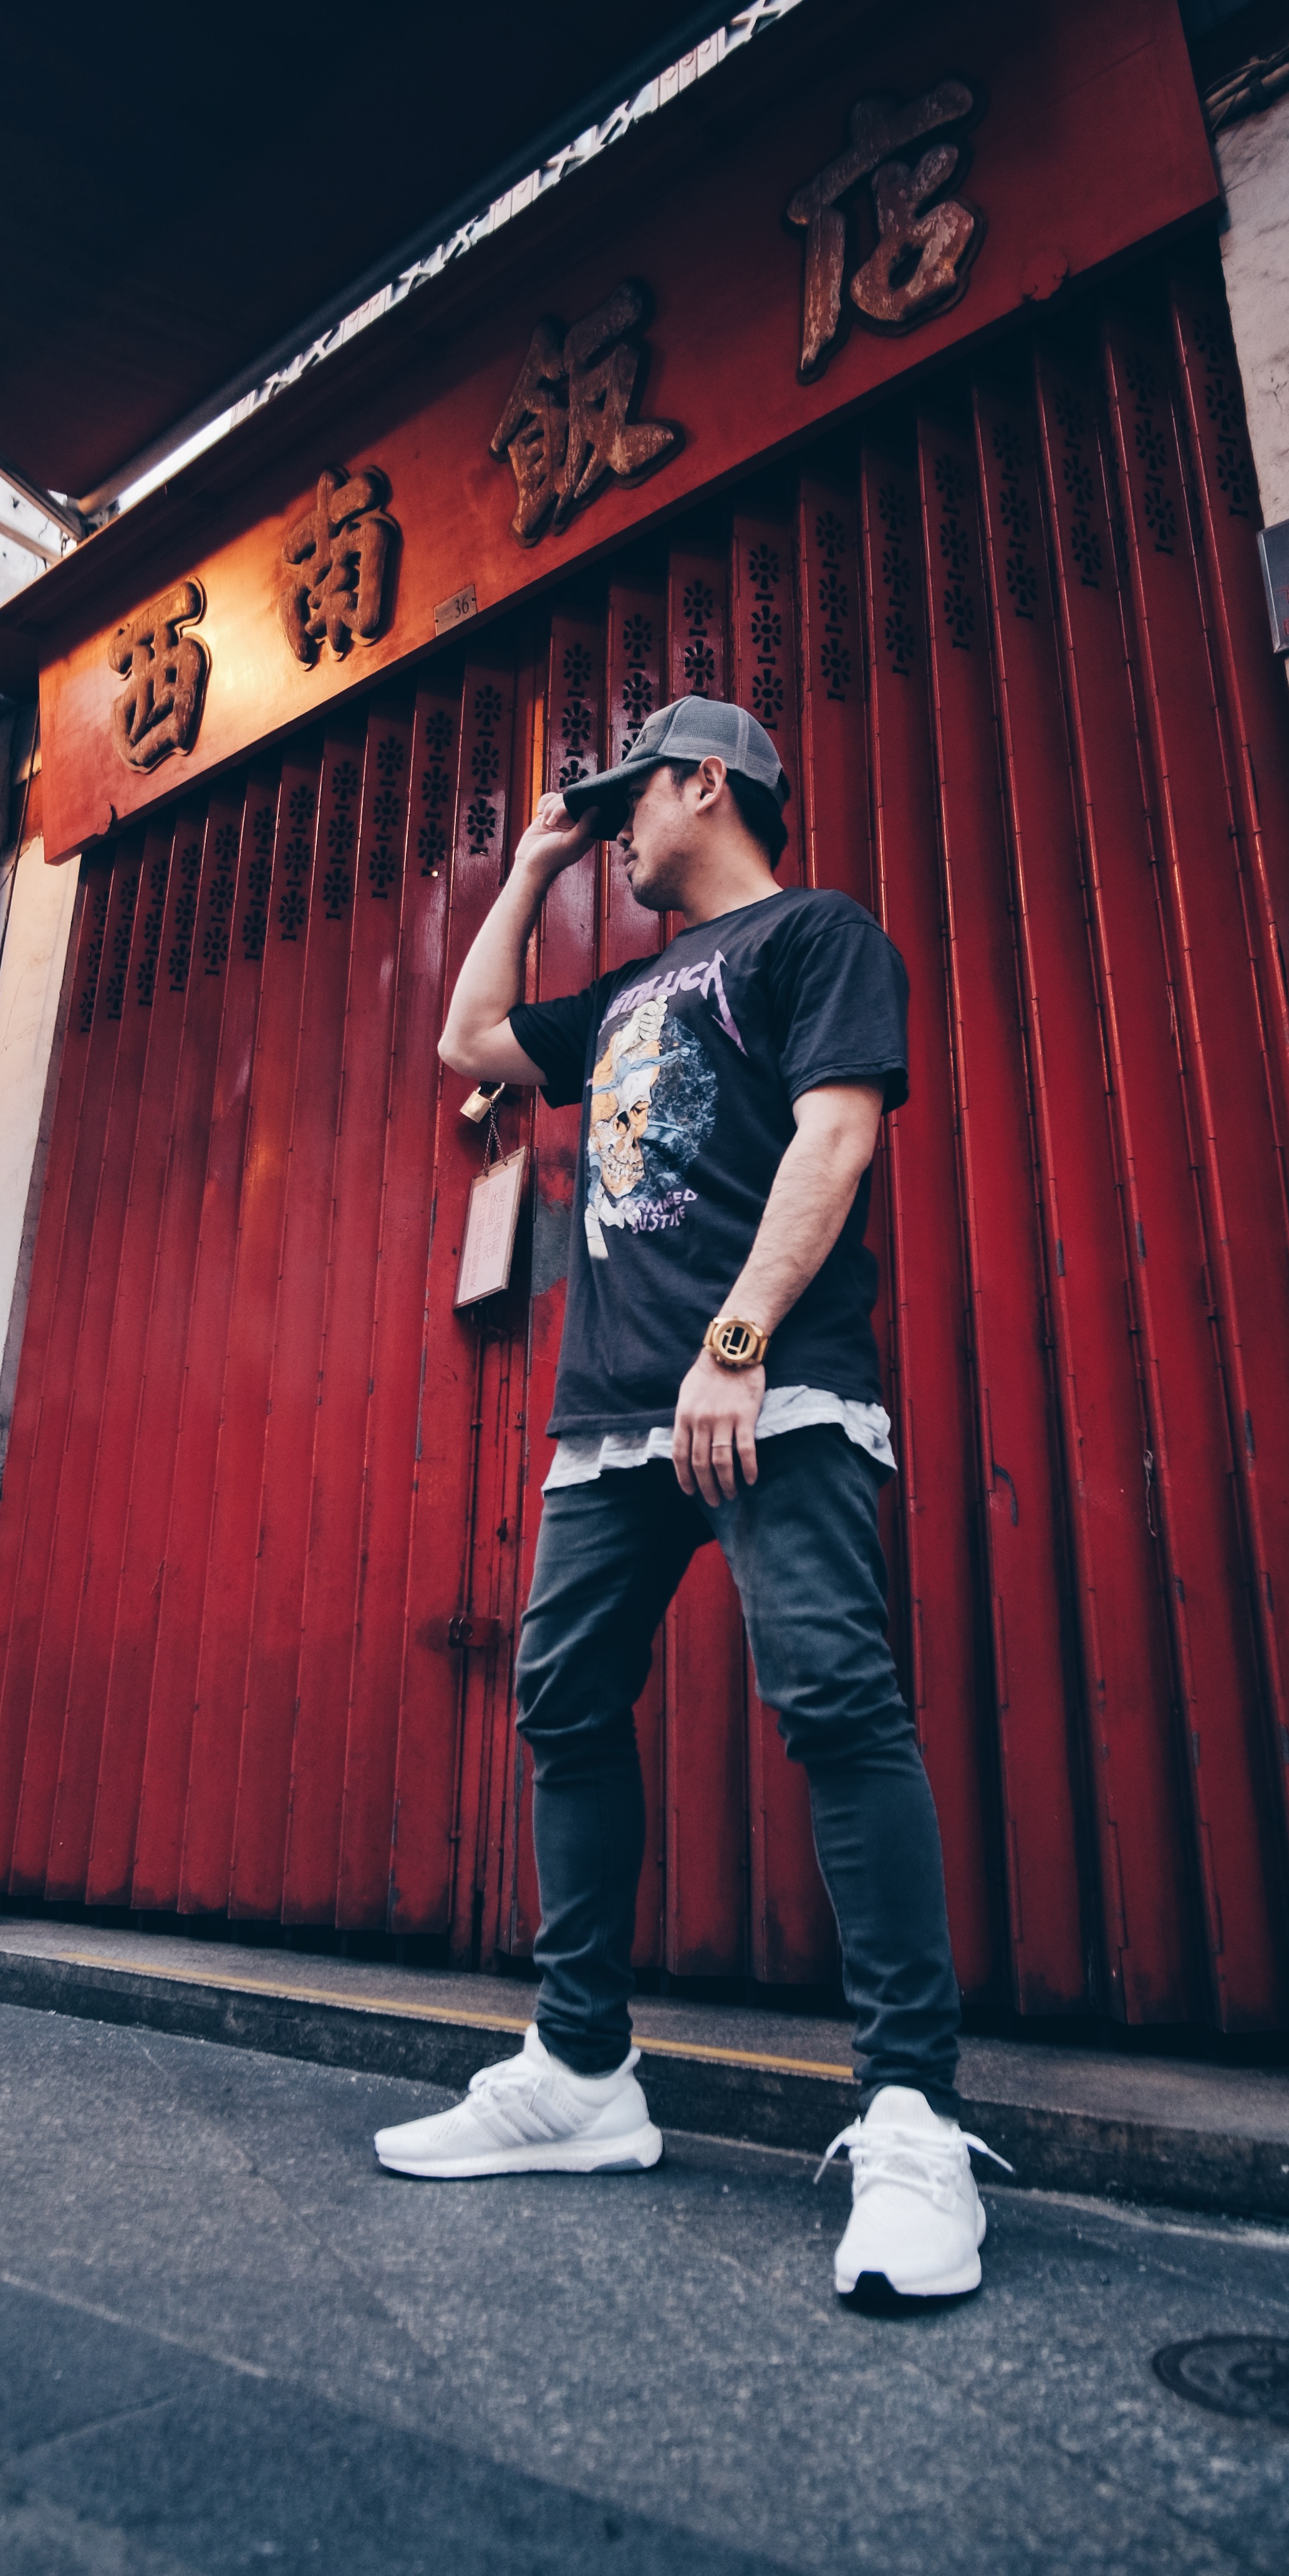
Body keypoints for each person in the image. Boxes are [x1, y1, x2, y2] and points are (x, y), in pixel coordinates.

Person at [374, 695, 1009, 2300]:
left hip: (768, 1390)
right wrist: (528, 869)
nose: (615, 831)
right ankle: (582, 2074)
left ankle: (915, 2119)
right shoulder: (624, 994)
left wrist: (738, 1341)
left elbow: (839, 1138)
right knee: (563, 1700)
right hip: (612, 1421)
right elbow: (463, 1046)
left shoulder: (817, 936)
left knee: (837, 1704)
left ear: (704, 783)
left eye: (624, 803)